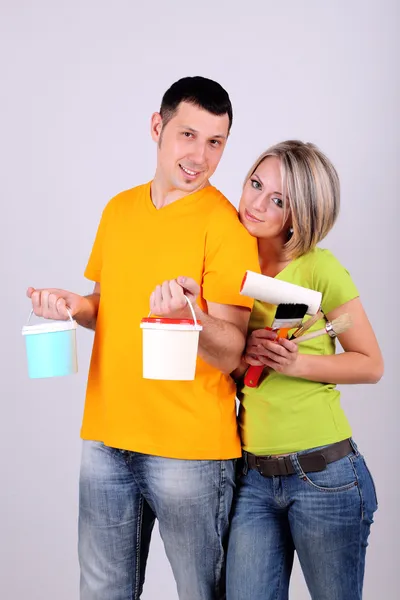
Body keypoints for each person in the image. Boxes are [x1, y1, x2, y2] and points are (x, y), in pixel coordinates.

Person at [26, 76, 260, 600]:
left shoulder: (226, 228)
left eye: (216, 142)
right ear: (158, 126)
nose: (200, 155)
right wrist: (71, 306)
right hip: (107, 440)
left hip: (190, 453)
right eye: (188, 135)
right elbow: (104, 307)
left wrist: (193, 315)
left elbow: (232, 352)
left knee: (202, 593)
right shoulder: (118, 210)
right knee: (102, 591)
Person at [226, 140, 383, 600]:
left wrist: (299, 362)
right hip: (252, 478)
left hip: (325, 476)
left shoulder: (320, 268)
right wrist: (243, 358)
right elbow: (227, 366)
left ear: (301, 213)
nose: (257, 203)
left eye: (278, 199)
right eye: (255, 183)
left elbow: (371, 364)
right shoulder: (227, 260)